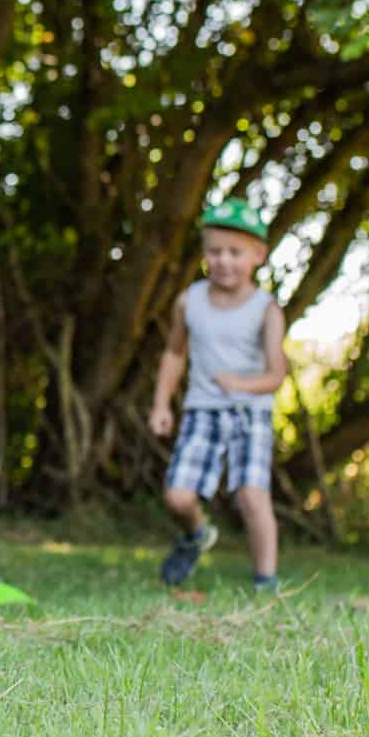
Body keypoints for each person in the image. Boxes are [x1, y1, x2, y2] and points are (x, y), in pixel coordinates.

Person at [147, 198, 288, 593]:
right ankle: (195, 535)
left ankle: (266, 581)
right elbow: (175, 353)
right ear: (204, 253)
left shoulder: (266, 309)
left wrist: (243, 385)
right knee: (177, 496)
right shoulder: (188, 301)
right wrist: (161, 404)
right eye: (215, 251)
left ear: (258, 255)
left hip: (250, 413)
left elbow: (277, 373)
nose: (224, 261)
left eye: (235, 252)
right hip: (201, 411)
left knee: (251, 495)